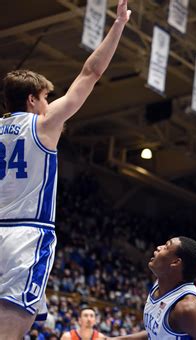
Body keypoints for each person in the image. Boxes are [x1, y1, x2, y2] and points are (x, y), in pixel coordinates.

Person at [0, 1, 131, 338]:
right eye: (46, 96)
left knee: (33, 319)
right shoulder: (44, 124)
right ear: (32, 99)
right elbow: (91, 73)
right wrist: (118, 25)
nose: (49, 103)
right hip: (25, 233)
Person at [109, 237, 196, 340]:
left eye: (166, 246)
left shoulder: (187, 308)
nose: (158, 247)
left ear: (175, 262)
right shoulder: (159, 284)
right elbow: (156, 334)